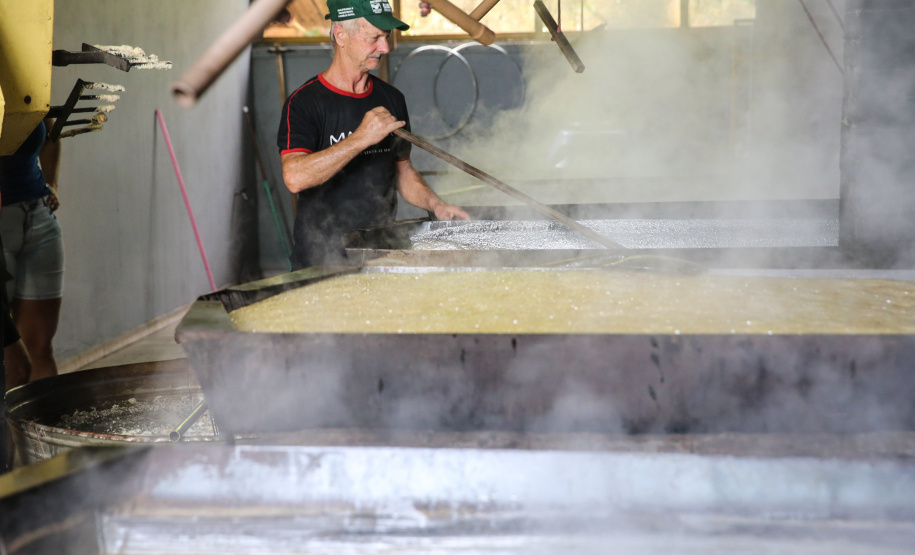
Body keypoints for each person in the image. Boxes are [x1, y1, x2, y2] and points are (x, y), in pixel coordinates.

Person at [277, 0, 470, 269]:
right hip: (320, 260)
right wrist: (361, 138)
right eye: (374, 38)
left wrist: (435, 204)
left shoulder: (391, 98)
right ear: (341, 35)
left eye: (386, 37)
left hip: (380, 254)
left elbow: (403, 171)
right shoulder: (304, 102)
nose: (385, 48)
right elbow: (295, 178)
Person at [0, 118, 64, 383]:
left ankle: (46, 412)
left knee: (40, 348)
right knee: (10, 358)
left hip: (39, 216)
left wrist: (52, 184)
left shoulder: (31, 92)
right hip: (2, 224)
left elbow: (51, 135)